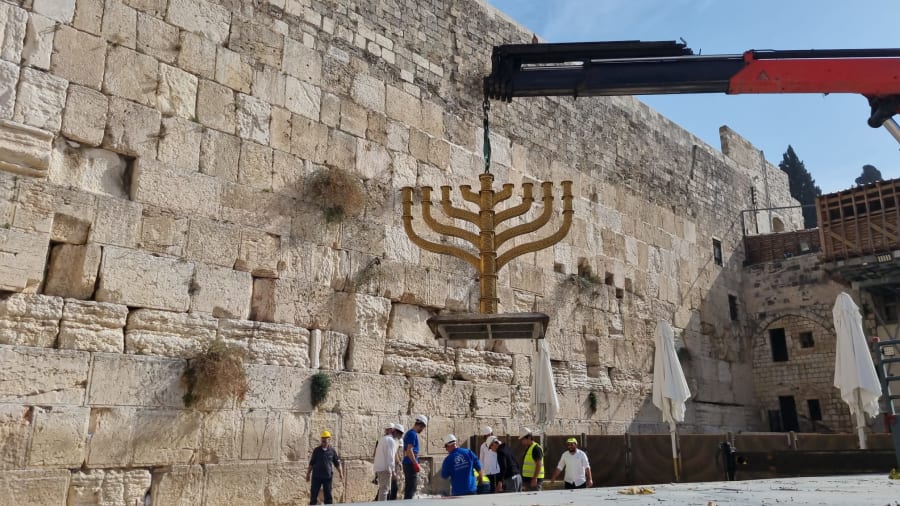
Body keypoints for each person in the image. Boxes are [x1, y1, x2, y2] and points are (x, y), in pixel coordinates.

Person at [306, 430, 343, 505]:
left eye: (325, 441)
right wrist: (308, 474)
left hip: (327, 477)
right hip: (316, 477)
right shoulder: (316, 450)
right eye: (322, 441)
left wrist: (341, 473)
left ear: (329, 440)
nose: (323, 443)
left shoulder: (332, 451)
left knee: (328, 496)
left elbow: (337, 463)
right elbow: (311, 463)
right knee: (313, 495)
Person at [402, 414, 427, 499]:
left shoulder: (409, 433)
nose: (422, 430)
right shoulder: (412, 434)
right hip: (410, 464)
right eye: (423, 428)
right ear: (421, 425)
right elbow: (409, 450)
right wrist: (415, 463)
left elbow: (405, 450)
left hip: (407, 463)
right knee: (411, 488)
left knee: (409, 487)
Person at [374, 423, 399, 501]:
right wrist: (393, 470)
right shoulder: (390, 440)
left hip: (380, 467)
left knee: (383, 490)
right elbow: (391, 457)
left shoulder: (383, 439)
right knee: (384, 491)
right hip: (385, 468)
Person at [478, 426, 500, 493]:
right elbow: (481, 460)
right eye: (487, 435)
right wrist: (481, 473)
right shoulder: (483, 446)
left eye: (490, 435)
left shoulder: (498, 444)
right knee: (489, 491)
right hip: (487, 473)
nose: (489, 436)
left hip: (496, 472)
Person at [387, 424, 405, 500]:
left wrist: (399, 461)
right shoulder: (392, 441)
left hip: (391, 466)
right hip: (390, 467)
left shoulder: (392, 440)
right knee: (392, 487)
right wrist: (398, 463)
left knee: (389, 487)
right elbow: (394, 454)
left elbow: (396, 453)